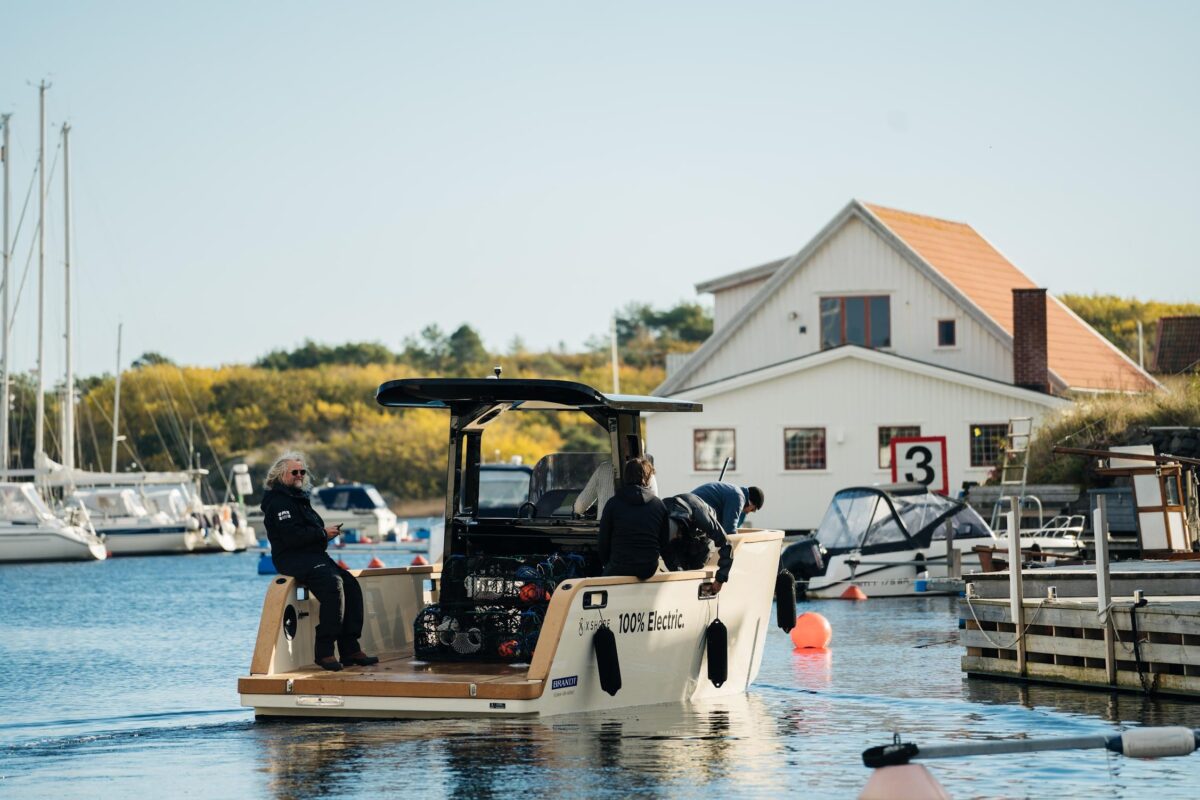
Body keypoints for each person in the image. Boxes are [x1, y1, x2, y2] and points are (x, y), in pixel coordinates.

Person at [262, 451, 379, 672]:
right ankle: (324, 652)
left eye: (302, 471)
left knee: (352, 586)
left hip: (314, 556)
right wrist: (322, 534)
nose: (299, 475)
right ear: (280, 475)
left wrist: (323, 534)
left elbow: (307, 532)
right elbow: (291, 538)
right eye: (294, 472)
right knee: (333, 586)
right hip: (293, 558)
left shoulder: (297, 498)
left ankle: (350, 649)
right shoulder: (279, 502)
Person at [598, 457, 669, 580]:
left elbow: (603, 541)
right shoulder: (659, 505)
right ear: (648, 478)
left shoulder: (613, 504)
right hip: (648, 569)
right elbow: (664, 543)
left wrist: (607, 564)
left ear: (626, 477)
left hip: (618, 567)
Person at [663, 492, 734, 592]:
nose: (677, 536)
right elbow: (667, 553)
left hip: (701, 537)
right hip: (683, 534)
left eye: (677, 534)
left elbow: (726, 544)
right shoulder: (659, 516)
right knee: (680, 572)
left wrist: (720, 578)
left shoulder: (702, 516)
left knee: (696, 571)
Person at [691, 482, 764, 536]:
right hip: (695, 509)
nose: (748, 512)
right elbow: (729, 531)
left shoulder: (733, 492)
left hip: (689, 505)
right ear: (751, 503)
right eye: (752, 510)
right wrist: (730, 555)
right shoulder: (738, 497)